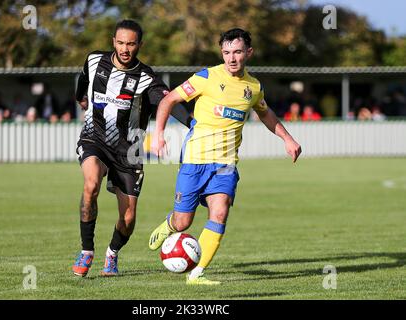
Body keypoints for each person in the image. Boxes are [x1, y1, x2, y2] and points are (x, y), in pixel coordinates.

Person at [148, 28, 302, 285]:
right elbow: (169, 100)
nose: (232, 58)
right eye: (227, 52)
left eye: (238, 52)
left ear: (248, 53)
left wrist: (287, 138)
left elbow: (265, 114)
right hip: (195, 160)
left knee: (219, 214)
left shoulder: (253, 87)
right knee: (184, 221)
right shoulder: (206, 77)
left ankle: (196, 274)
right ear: (222, 53)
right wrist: (159, 133)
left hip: (226, 164)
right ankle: (170, 225)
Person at [72, 19, 192, 277]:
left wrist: (192, 123)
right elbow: (83, 78)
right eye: (121, 42)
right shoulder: (94, 60)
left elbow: (169, 101)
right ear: (113, 41)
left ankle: (112, 253)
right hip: (95, 138)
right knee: (90, 184)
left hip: (130, 150)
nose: (125, 49)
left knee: (127, 218)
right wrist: (81, 97)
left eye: (131, 43)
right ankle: (86, 251)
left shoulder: (146, 78)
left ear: (139, 44)